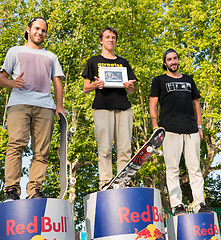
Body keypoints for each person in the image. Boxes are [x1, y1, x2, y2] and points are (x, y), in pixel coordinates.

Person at [0, 17, 66, 201]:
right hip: (19, 104)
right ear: (28, 29)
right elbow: (1, 79)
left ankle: (34, 190)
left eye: (43, 30)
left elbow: (57, 82)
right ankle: (12, 190)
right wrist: (13, 82)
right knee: (16, 145)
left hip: (45, 106)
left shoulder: (51, 56)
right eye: (37, 29)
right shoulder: (15, 51)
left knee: (41, 151)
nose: (40, 33)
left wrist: (59, 106)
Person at [149, 48, 208, 215]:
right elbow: (153, 105)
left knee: (195, 168)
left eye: (175, 58)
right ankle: (177, 205)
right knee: (172, 169)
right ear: (165, 63)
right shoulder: (159, 81)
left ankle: (199, 204)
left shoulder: (189, 80)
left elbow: (196, 104)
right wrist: (155, 127)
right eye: (169, 59)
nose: (173, 61)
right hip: (169, 130)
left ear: (178, 60)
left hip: (191, 130)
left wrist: (200, 126)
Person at [82, 27, 137, 190]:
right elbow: (86, 88)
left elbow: (132, 89)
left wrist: (129, 87)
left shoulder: (123, 62)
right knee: (104, 147)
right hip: (102, 107)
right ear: (101, 40)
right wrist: (95, 84)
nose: (111, 40)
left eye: (113, 37)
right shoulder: (93, 61)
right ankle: (105, 181)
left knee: (125, 148)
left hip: (123, 108)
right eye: (107, 37)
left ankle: (122, 181)